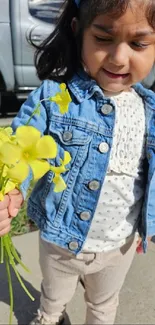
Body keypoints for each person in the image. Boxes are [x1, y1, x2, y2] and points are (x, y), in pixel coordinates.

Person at [1, 0, 155, 324]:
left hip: (120, 245)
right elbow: (23, 147)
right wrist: (12, 190)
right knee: (53, 297)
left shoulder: (150, 112)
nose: (118, 57)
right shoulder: (54, 97)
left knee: (103, 305)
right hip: (60, 243)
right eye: (102, 38)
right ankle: (50, 315)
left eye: (138, 43)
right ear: (78, 32)